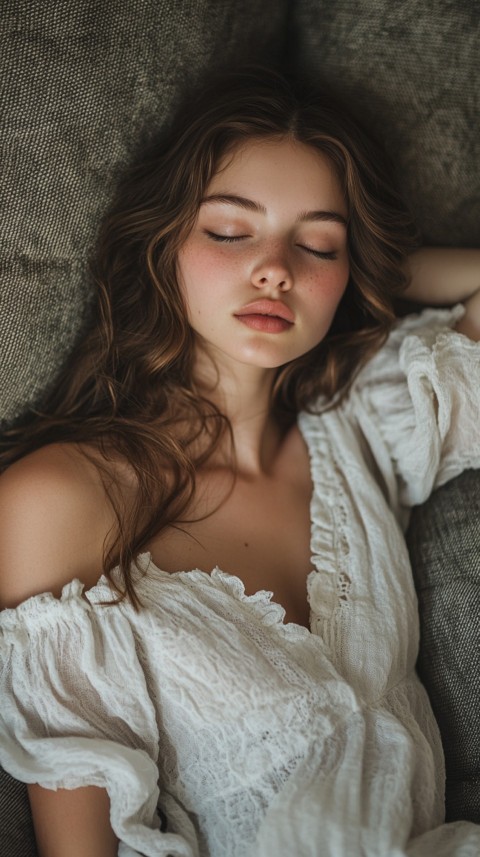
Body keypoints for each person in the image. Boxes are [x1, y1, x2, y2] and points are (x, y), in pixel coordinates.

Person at [0, 65, 479, 857]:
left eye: (318, 242)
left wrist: (372, 273)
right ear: (165, 244)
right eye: (230, 231)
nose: (277, 269)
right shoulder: (59, 500)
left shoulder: (361, 426)